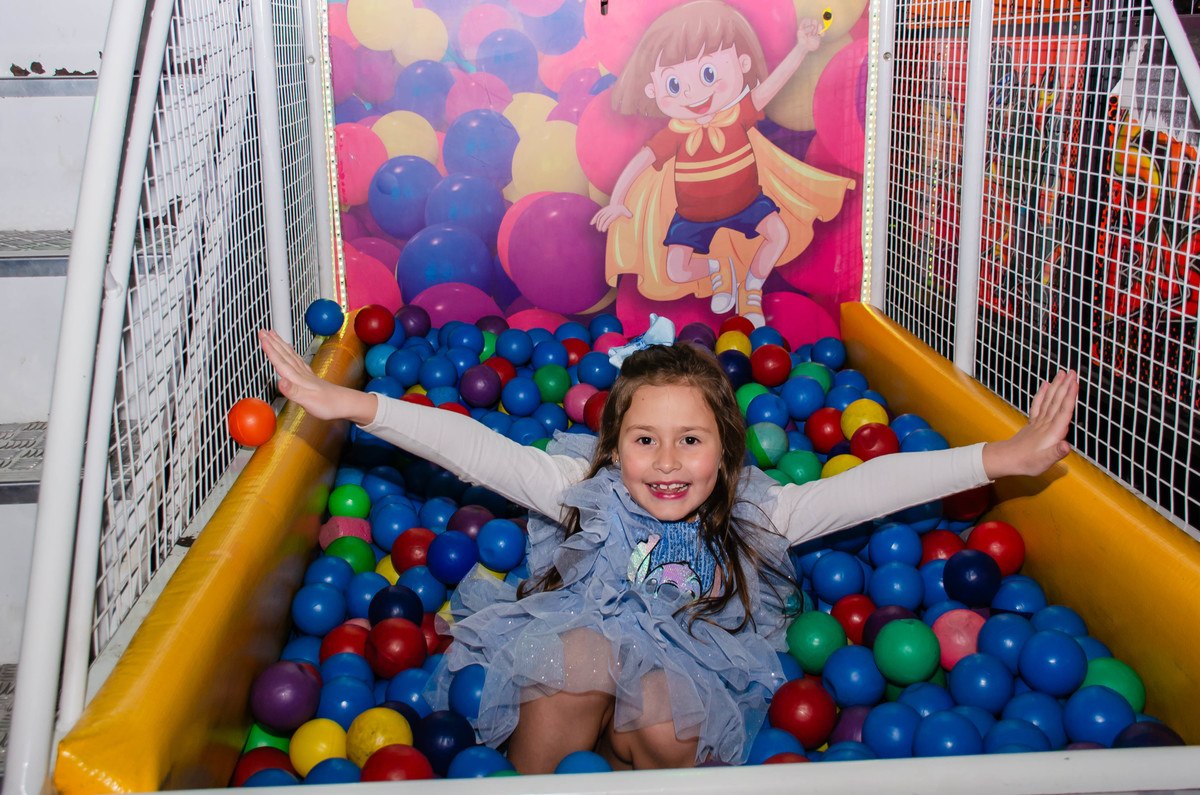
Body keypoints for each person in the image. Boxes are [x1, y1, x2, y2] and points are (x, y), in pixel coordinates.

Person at [257, 328, 1079, 772]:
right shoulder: (580, 486)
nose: (667, 461)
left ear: (725, 448)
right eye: (644, 439)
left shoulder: (760, 512)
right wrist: (354, 404)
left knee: (658, 697)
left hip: (683, 694)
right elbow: (476, 448)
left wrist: (999, 457)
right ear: (613, 447)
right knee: (578, 653)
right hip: (578, 684)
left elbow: (870, 486)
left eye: (691, 439)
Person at [592, 1, 856, 328]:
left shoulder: (738, 112)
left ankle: (752, 289)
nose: (694, 93)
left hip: (747, 201)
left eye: (708, 74)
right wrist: (618, 201)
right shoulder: (676, 132)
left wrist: (802, 48)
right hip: (692, 214)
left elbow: (773, 84)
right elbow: (640, 162)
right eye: (674, 84)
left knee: (778, 234)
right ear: (652, 89)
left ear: (741, 64)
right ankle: (718, 269)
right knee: (675, 269)